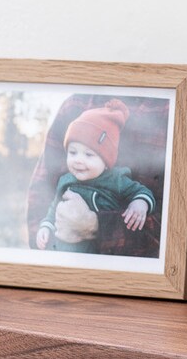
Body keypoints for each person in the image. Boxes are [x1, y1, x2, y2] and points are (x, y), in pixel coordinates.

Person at [35, 99, 156, 254]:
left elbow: (141, 191)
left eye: (88, 154)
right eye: (73, 152)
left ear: (106, 162)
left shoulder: (116, 179)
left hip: (101, 254)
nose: (78, 160)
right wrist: (46, 227)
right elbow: (54, 211)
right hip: (67, 255)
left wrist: (140, 203)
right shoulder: (65, 181)